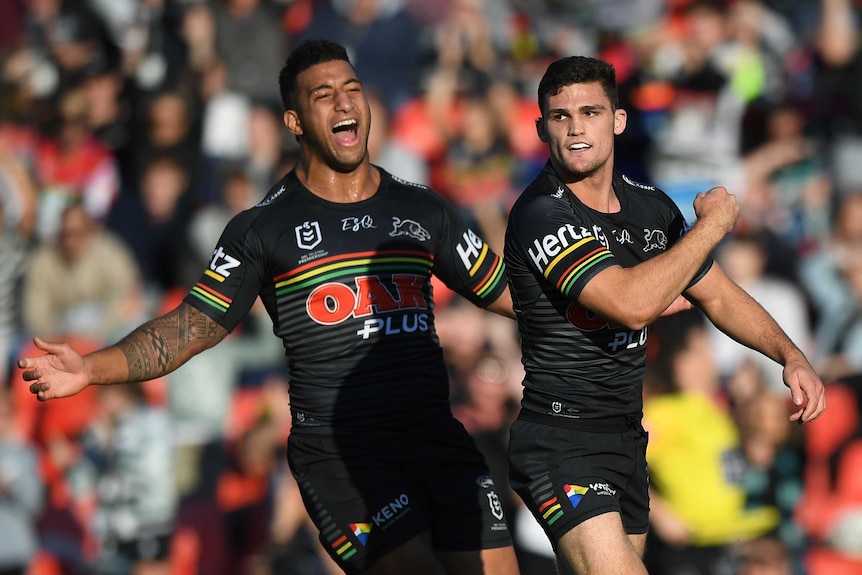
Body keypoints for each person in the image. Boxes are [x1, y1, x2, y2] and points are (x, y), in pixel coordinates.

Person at [19, 38, 520, 575]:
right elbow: (190, 327)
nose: (345, 103)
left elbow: (511, 293)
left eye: (352, 90)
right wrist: (92, 367)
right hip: (343, 455)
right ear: (295, 121)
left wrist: (607, 302)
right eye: (324, 95)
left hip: (434, 435)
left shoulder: (423, 209)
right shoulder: (261, 229)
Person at [503, 54, 826, 575]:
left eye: (590, 112)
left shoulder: (650, 208)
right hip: (561, 441)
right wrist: (713, 227)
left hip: (627, 439)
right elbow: (631, 305)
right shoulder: (542, 212)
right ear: (541, 128)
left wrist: (790, 355)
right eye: (560, 117)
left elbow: (718, 295)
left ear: (618, 120)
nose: (576, 129)